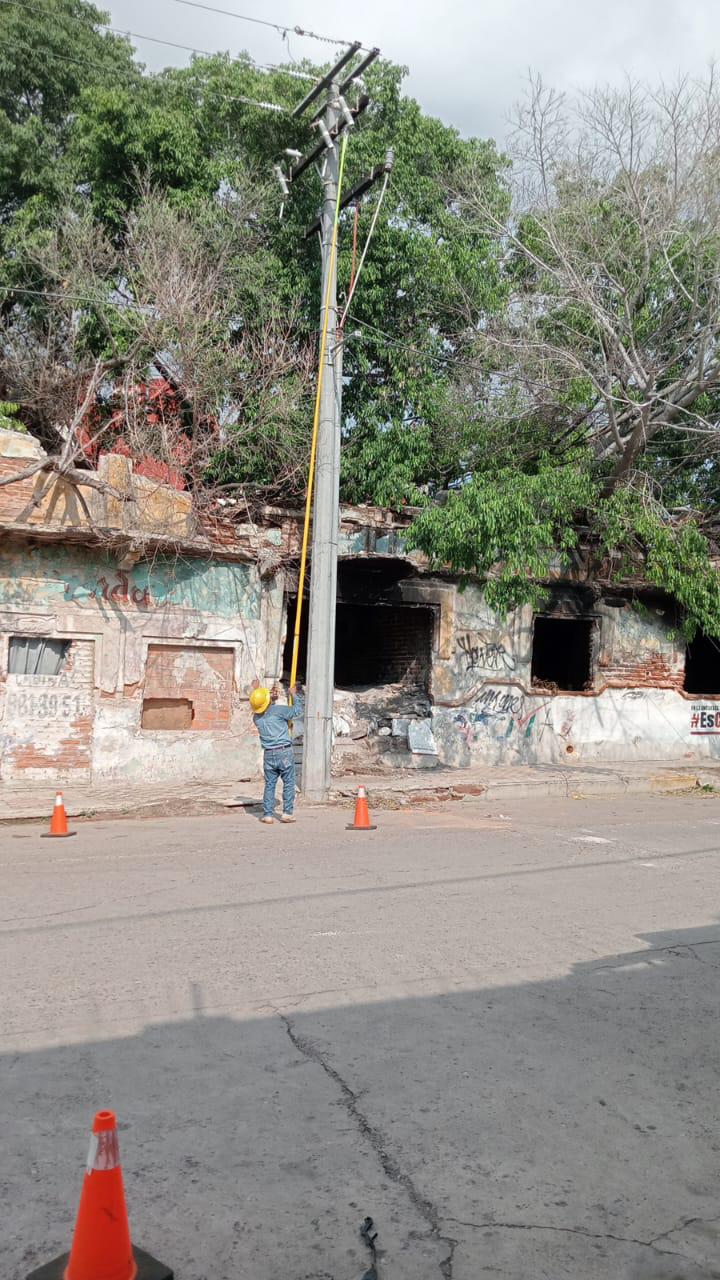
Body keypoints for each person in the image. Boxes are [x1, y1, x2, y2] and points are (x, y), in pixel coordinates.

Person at [249, 679, 304, 824]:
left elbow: (261, 704)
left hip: (268, 753)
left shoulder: (256, 718)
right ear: (268, 701)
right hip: (283, 752)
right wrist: (294, 695)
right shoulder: (279, 711)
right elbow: (297, 711)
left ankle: (267, 814)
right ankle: (287, 813)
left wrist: (258, 690)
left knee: (270, 784)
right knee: (289, 782)